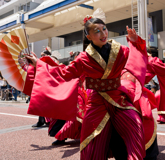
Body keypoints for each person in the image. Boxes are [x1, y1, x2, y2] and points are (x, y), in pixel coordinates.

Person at [26, 11, 151, 159]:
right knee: (91, 141)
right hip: (97, 101)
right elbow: (64, 73)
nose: (103, 33)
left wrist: (136, 42)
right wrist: (38, 63)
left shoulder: (121, 50)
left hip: (119, 99)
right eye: (97, 31)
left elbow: (138, 60)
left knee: (135, 125)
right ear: (89, 37)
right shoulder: (83, 58)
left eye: (104, 28)